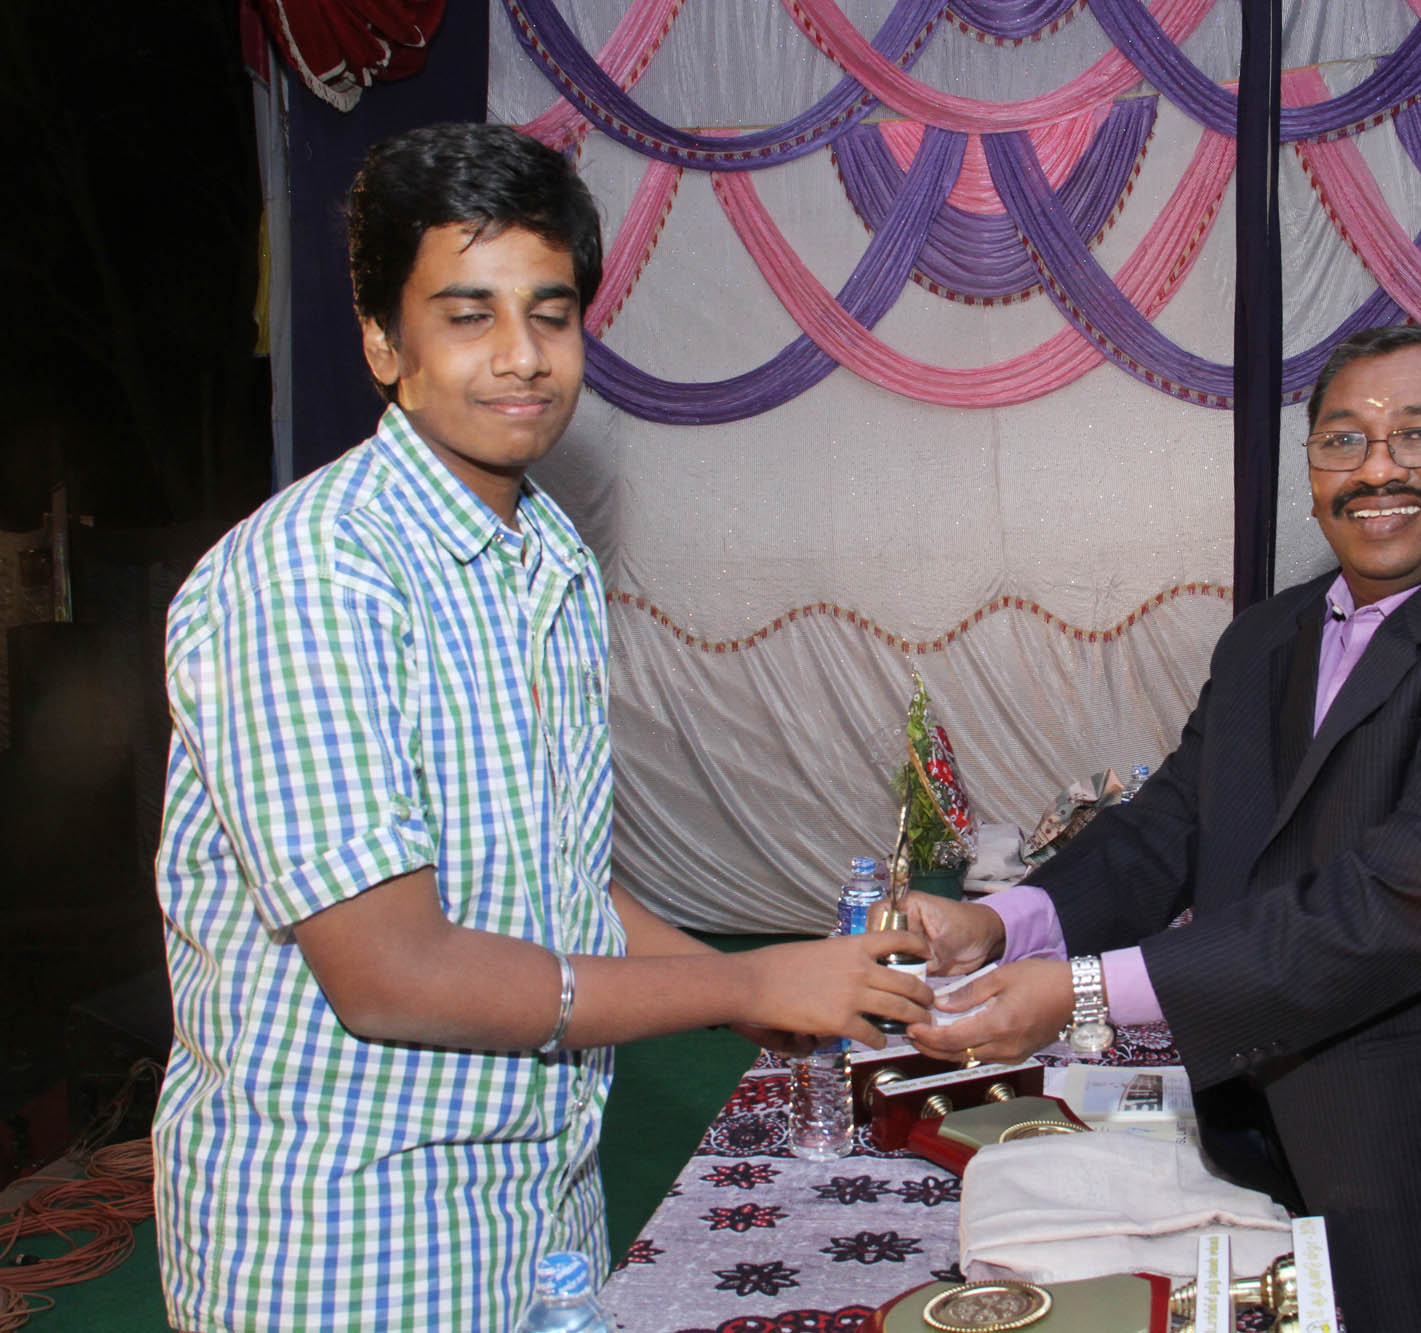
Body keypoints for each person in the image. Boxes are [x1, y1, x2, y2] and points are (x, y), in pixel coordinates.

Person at [151, 122, 931, 1332]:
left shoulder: (544, 554)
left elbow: (552, 882)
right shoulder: (312, 577)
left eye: (550, 314)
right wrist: (749, 973)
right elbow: (393, 976)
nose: (521, 356)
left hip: (532, 1215)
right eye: (468, 316)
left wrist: (748, 997)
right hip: (348, 1244)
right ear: (382, 341)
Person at [904, 326, 1421, 1332]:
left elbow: (1384, 911)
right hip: (1268, 1151)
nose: (1376, 469)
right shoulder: (1266, 636)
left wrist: (1083, 991)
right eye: (1343, 439)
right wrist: (1004, 924)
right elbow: (1172, 819)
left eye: (1420, 435)